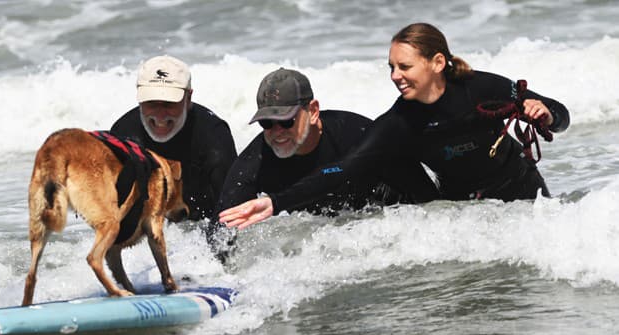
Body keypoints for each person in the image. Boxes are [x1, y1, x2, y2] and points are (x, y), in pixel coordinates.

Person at [220, 23, 571, 230]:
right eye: (390, 67)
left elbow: (561, 114)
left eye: (404, 66)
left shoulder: (484, 88)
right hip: (464, 208)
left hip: (523, 191)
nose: (395, 76)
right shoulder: (398, 123)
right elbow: (343, 169)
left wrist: (546, 114)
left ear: (436, 62)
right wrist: (277, 203)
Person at [219, 67, 438, 216]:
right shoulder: (254, 162)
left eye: (286, 121)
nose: (277, 132)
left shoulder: (358, 135)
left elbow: (429, 201)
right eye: (266, 123)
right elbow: (222, 226)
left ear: (313, 111)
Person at [111, 55, 237, 227]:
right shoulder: (123, 133)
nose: (160, 115)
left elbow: (230, 213)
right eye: (151, 103)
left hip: (201, 225)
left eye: (169, 103)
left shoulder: (214, 137)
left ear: (188, 99)